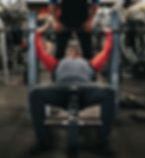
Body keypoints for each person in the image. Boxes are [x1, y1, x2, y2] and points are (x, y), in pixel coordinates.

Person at [29, 23, 115, 155]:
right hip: (60, 91)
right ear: (67, 54)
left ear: (79, 54)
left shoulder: (90, 63)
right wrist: (38, 33)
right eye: (70, 50)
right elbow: (40, 52)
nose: (72, 50)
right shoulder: (56, 63)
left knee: (110, 92)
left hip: (85, 91)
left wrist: (109, 34)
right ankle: (44, 140)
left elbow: (106, 51)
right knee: (35, 93)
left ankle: (102, 140)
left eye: (75, 50)